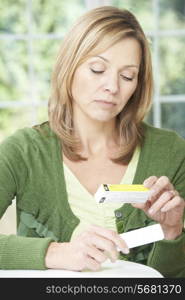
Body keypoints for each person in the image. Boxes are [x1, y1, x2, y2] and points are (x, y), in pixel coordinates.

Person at [0, 6, 185, 278]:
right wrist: (58, 253)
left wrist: (173, 231)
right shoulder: (24, 152)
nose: (112, 86)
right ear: (70, 66)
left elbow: (172, 285)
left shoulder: (171, 152)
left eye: (127, 76)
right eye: (98, 69)